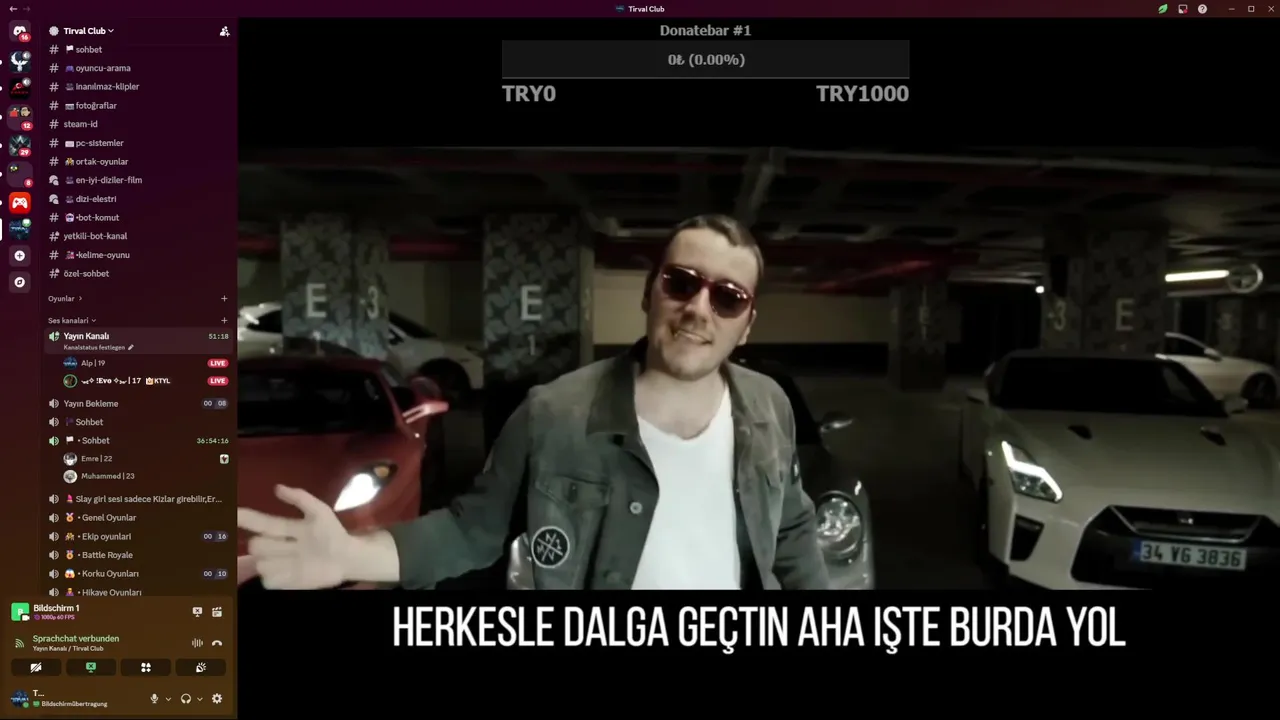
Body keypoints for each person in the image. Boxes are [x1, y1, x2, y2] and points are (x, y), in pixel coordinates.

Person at [237, 213, 828, 590]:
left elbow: (793, 529)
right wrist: (351, 556)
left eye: (727, 298)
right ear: (650, 293)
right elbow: (471, 530)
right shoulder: (554, 413)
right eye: (682, 283)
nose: (698, 309)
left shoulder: (768, 406)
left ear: (746, 326)